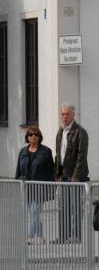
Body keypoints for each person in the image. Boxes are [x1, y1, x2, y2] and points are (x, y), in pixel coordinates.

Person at [54, 103, 89, 243]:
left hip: (75, 176)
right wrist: (57, 173)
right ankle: (63, 236)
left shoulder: (80, 132)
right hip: (63, 175)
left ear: (73, 114)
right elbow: (59, 154)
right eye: (62, 114)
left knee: (76, 207)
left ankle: (76, 236)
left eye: (67, 114)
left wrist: (76, 176)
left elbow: (82, 156)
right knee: (63, 207)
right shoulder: (60, 132)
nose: (64, 117)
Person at [14, 126, 55, 243]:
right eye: (30, 134)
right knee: (31, 214)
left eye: (36, 134)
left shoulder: (46, 152)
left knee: (34, 212)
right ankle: (40, 236)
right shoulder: (23, 151)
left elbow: (50, 171)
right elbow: (18, 170)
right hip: (26, 187)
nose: (33, 136)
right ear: (27, 137)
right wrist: (17, 182)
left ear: (39, 137)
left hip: (39, 188)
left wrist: (51, 189)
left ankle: (29, 236)